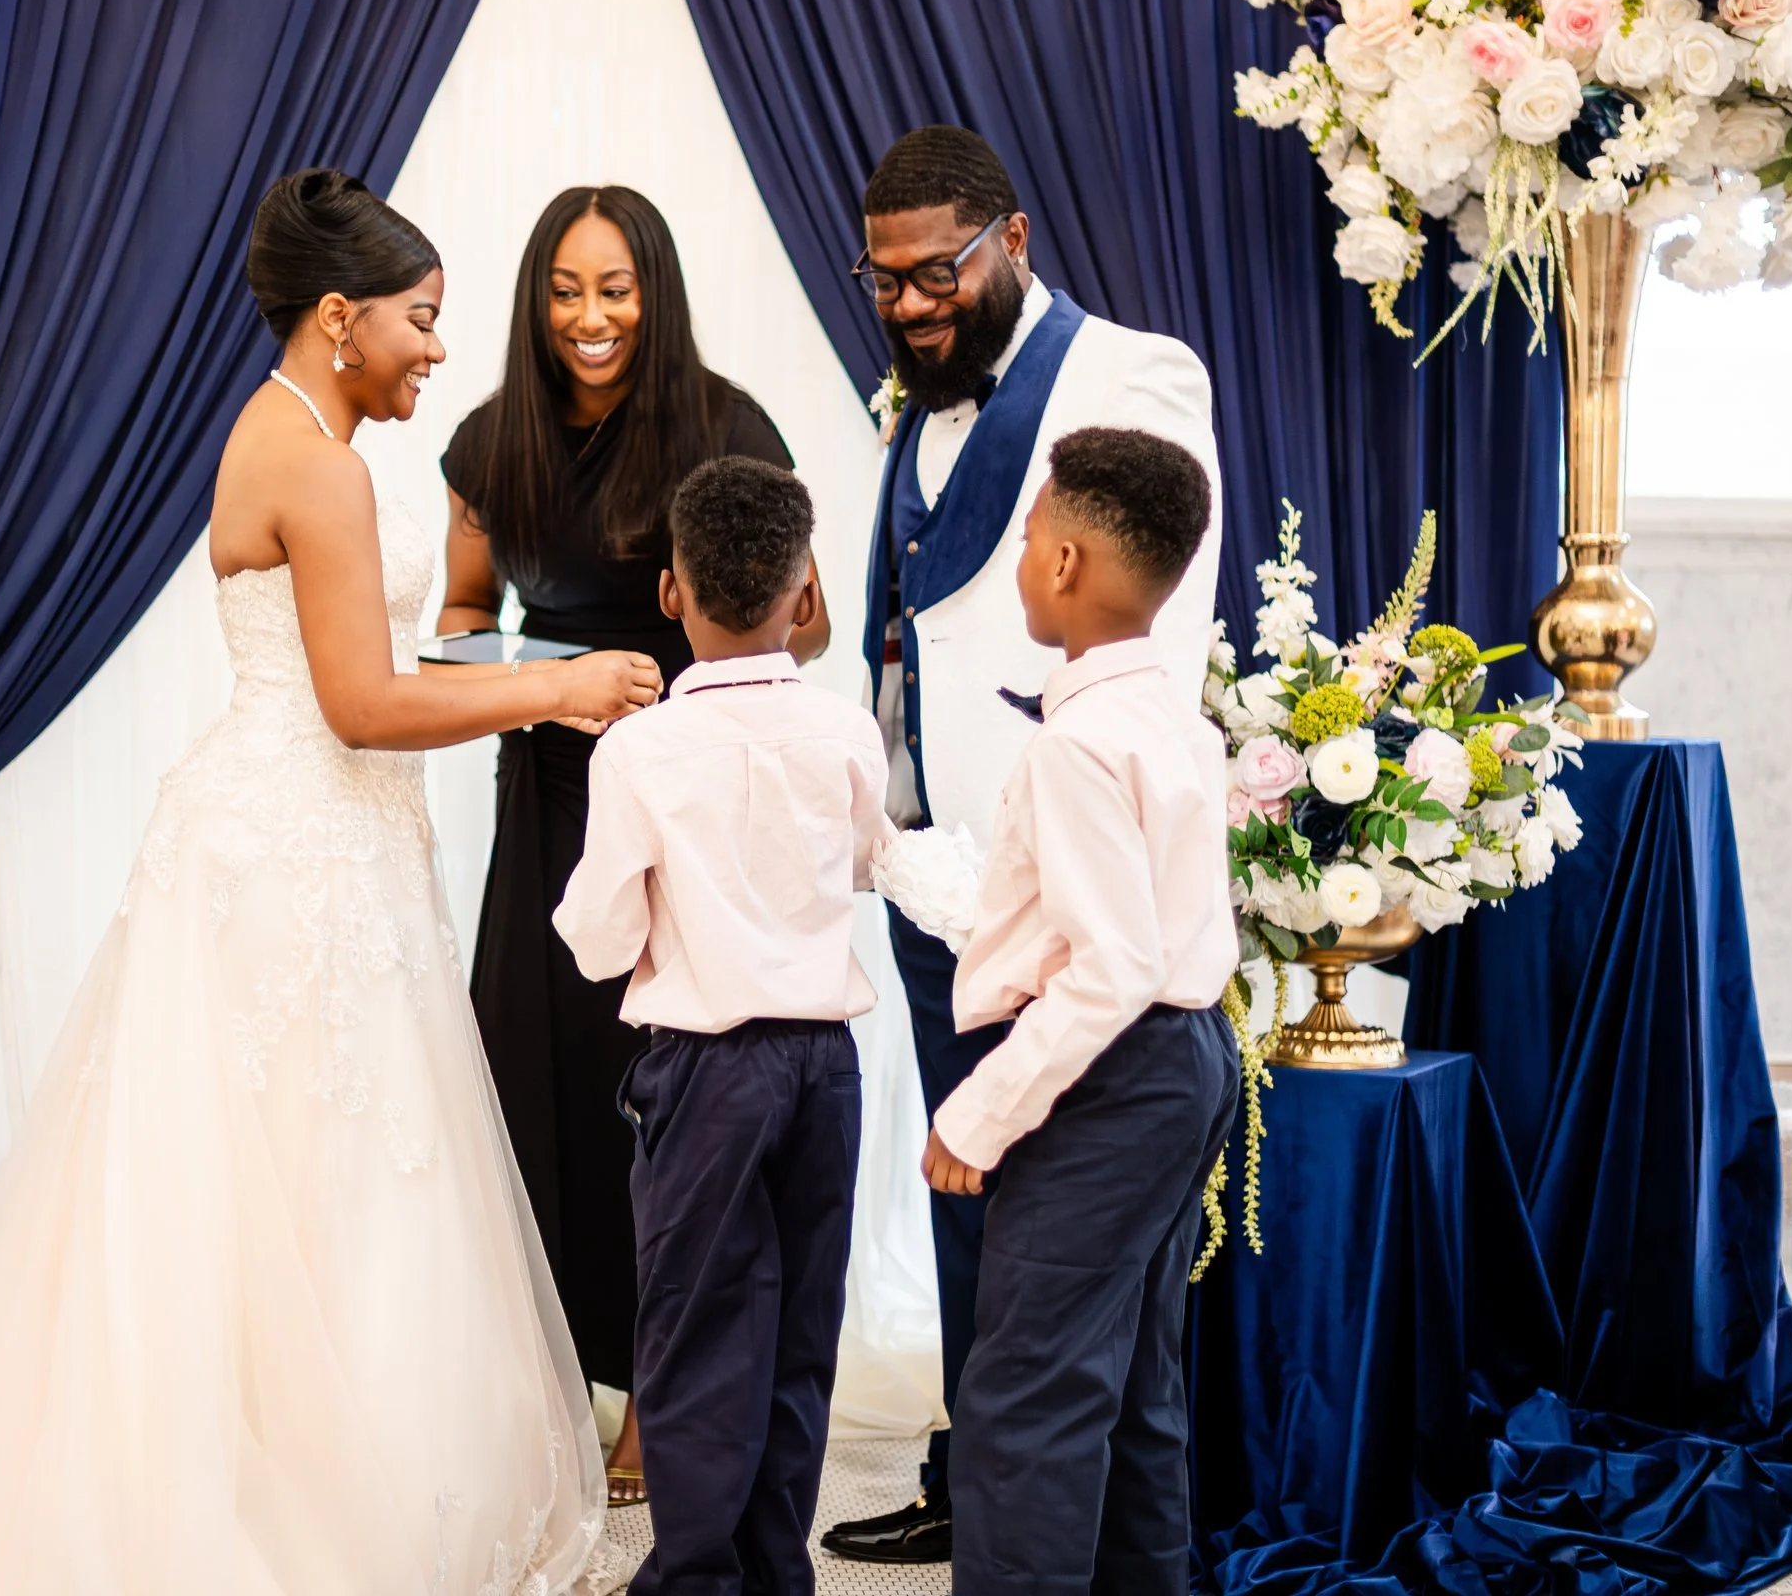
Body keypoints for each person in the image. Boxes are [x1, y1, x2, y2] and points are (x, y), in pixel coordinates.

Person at [0, 169, 657, 1594]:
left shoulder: (284, 436)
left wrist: (508, 672)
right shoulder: (320, 462)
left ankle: (325, 1479)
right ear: (341, 319)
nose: (437, 349)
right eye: (421, 320)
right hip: (301, 850)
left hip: (297, 838)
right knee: (315, 1186)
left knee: (302, 1191)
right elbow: (356, 702)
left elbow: (362, 669)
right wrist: (561, 684)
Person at [822, 125, 1225, 1566]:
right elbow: (902, 630)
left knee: (1060, 1348)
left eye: (939, 272)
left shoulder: (1136, 374)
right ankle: (973, 1481)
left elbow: (1148, 648)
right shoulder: (913, 413)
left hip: (1071, 913)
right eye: (886, 285)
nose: (915, 305)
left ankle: (1015, 1509)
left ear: (1015, 240)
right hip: (945, 898)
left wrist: (1050, 850)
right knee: (987, 1270)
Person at [439, 185, 828, 1504]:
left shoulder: (727, 426)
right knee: (536, 1091)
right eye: (564, 290)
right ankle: (552, 1380)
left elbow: (810, 623)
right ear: (534, 299)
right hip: (553, 787)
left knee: (679, 1101)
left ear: (653, 292)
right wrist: (563, 674)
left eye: (615, 288)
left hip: (707, 794)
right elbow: (453, 629)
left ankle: (666, 1394)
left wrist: (689, 661)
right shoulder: (492, 441)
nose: (591, 317)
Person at [551, 456, 884, 1596]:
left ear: (668, 591)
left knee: (696, 1338)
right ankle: (771, 1573)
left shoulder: (637, 749)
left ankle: (693, 1579)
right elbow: (856, 865)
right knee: (800, 1331)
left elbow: (598, 939)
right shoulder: (843, 731)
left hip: (703, 1073)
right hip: (826, 1069)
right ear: (804, 598)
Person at [922, 426, 1238, 1596]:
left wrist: (978, 1114)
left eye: (1023, 539)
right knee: (1131, 1383)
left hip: (1113, 1074)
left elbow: (1106, 967)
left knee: (1024, 1391)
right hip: (1186, 1058)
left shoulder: (1080, 744)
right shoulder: (1177, 723)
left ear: (1062, 565)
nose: (1016, 560)